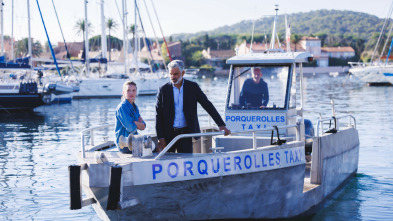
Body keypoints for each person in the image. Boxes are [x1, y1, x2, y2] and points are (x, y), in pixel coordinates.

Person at [155, 60, 231, 153]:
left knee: (186, 162)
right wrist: (160, 137)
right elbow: (158, 115)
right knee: (167, 162)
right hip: (168, 134)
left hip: (186, 133)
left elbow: (207, 105)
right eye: (170, 74)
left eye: (176, 74)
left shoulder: (193, 87)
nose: (172, 77)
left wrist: (221, 125)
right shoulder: (163, 90)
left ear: (183, 73)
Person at [115, 81, 146, 153]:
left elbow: (143, 126)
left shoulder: (135, 107)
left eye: (133, 90)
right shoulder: (122, 107)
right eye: (128, 90)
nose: (131, 93)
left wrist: (135, 123)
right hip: (125, 145)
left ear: (136, 92)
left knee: (154, 145)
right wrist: (138, 123)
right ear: (123, 92)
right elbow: (130, 128)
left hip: (134, 141)